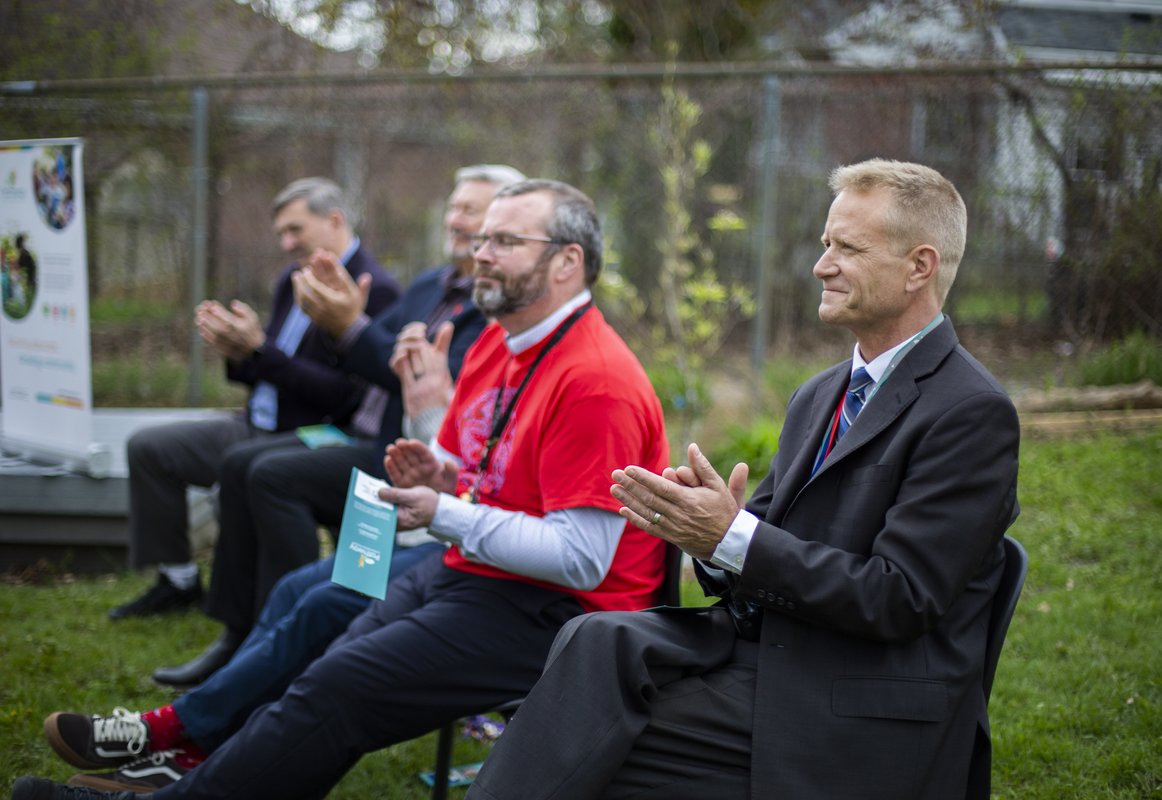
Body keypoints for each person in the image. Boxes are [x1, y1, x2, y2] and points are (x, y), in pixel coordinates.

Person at [14, 178, 671, 800]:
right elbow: (473, 461)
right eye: (478, 238)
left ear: (567, 263)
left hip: (560, 612)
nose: (480, 254)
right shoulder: (501, 342)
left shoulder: (594, 379)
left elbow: (582, 558)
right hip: (476, 563)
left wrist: (443, 507)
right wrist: (439, 471)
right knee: (317, 624)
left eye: (503, 241)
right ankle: (184, 750)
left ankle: (179, 761)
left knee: (339, 671)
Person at [465, 159, 1022, 800]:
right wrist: (710, 536)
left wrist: (734, 539)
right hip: (777, 652)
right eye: (825, 244)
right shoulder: (821, 394)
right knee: (594, 640)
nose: (822, 265)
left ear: (919, 266)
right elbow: (756, 549)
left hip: (860, 698)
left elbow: (898, 600)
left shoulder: (969, 411)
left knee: (591, 745)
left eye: (848, 248)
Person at [149, 165, 522, 690]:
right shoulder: (427, 285)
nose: (454, 217)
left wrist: (347, 324)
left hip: (413, 464)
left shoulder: (494, 309)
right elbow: (359, 361)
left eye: (470, 209)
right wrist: (314, 330)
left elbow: (414, 379)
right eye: (453, 205)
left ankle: (274, 641)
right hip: (372, 442)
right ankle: (241, 635)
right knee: (240, 466)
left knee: (271, 478)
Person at [108, 178, 402, 628]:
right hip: (259, 417)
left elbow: (346, 397)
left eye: (295, 230)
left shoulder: (373, 287)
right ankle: (181, 582)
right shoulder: (293, 278)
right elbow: (271, 361)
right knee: (150, 447)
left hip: (315, 430)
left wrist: (260, 352)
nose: (286, 244)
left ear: (335, 220)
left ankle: (276, 620)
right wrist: (239, 350)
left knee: (259, 469)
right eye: (281, 233)